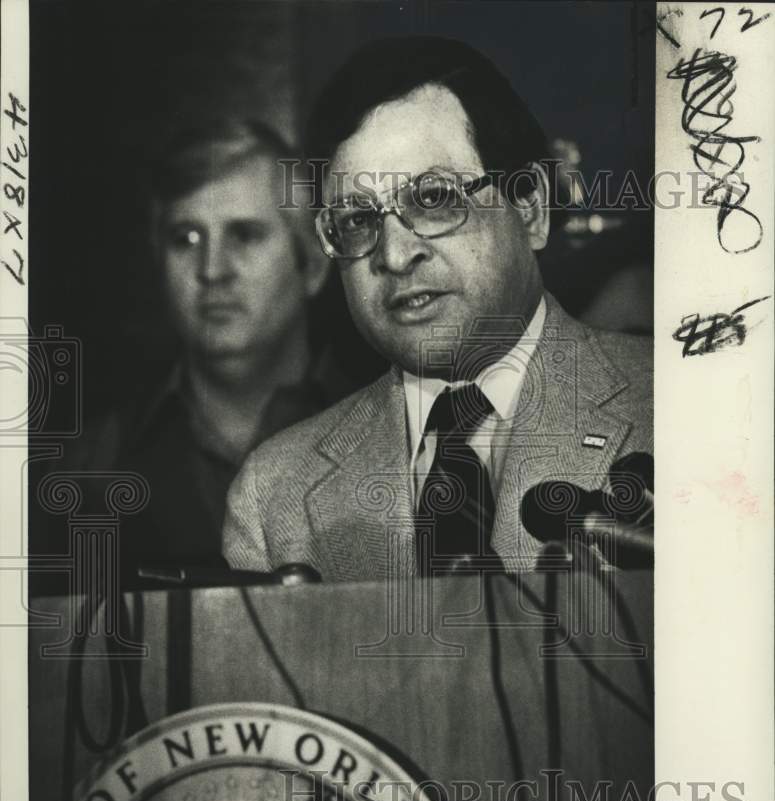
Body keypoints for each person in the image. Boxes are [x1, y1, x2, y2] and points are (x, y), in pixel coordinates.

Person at [223, 37, 653, 581]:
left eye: (433, 198)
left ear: (531, 207)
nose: (396, 254)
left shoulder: (681, 406)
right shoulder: (273, 496)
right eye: (357, 220)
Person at [34, 117, 335, 588]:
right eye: (186, 239)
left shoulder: (395, 443)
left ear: (313, 266)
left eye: (245, 235)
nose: (212, 269)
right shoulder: (86, 471)